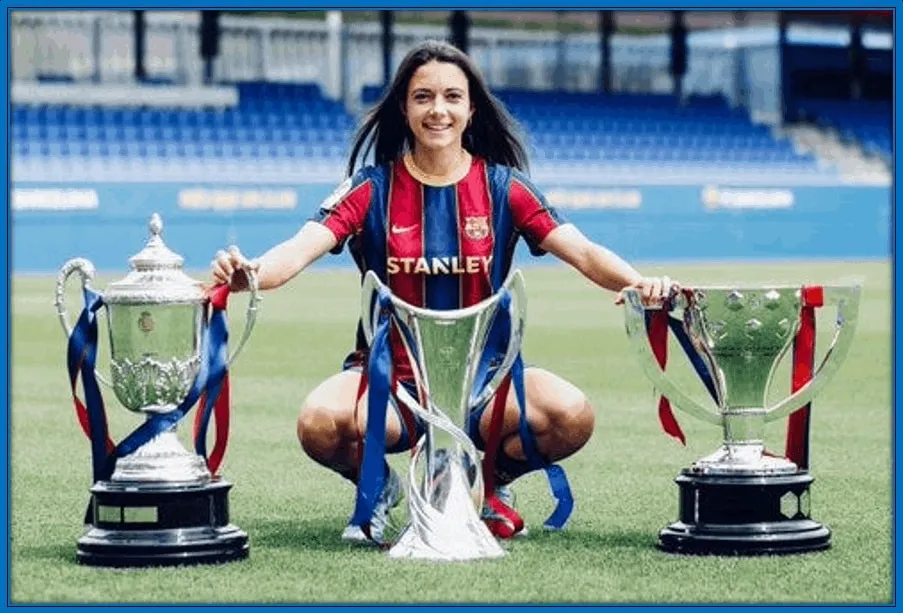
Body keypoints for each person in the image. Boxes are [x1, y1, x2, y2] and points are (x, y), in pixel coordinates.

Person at [211, 40, 675, 545]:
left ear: (471, 108)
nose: (439, 110)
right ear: (405, 109)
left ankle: (490, 483)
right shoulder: (370, 188)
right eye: (423, 97)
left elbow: (584, 252)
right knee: (319, 423)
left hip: (486, 384)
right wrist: (250, 273)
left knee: (570, 415)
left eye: (452, 97)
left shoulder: (505, 187)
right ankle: (381, 486)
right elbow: (297, 251)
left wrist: (638, 283)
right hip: (394, 385)